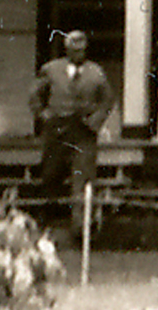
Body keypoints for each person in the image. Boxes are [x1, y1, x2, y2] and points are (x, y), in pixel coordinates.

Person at [27, 30, 114, 201]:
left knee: (82, 178)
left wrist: (95, 121)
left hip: (83, 130)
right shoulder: (51, 69)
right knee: (51, 176)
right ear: (66, 50)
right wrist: (44, 115)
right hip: (57, 129)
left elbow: (107, 100)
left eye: (81, 49)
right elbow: (34, 94)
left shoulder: (96, 72)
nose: (78, 53)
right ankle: (49, 219)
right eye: (74, 49)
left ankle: (79, 224)